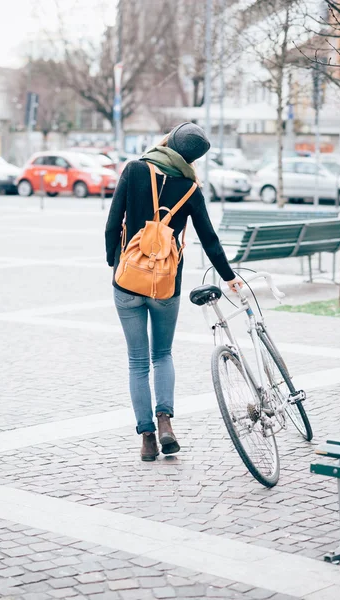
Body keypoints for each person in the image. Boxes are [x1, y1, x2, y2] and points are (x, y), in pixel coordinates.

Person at [105, 122, 242, 461]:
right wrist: (228, 277)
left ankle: (148, 438)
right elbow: (209, 238)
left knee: (137, 361)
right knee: (162, 354)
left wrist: (117, 263)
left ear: (168, 140)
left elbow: (112, 225)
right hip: (167, 283)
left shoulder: (135, 170)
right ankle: (165, 421)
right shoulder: (190, 188)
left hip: (128, 281)